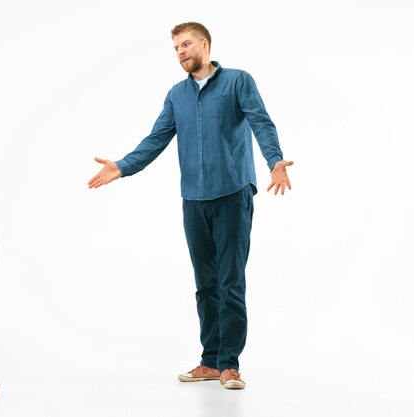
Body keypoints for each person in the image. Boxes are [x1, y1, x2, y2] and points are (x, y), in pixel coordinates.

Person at [88, 22, 293, 390]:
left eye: (186, 44)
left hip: (232, 194)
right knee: (205, 285)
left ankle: (230, 364)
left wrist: (274, 160)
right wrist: (122, 166)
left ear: (205, 44)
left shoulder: (237, 81)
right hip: (193, 200)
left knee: (230, 282)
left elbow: (261, 122)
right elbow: (156, 139)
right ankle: (210, 360)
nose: (181, 52)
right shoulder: (176, 95)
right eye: (176, 48)